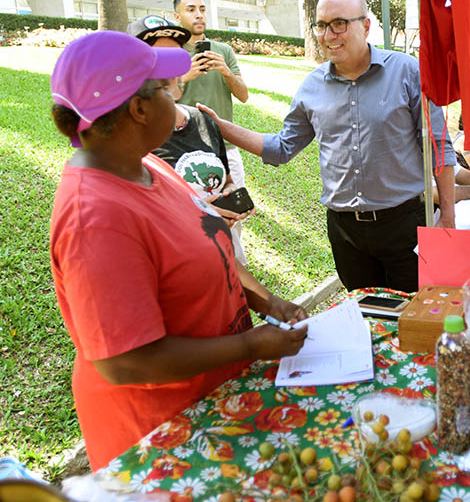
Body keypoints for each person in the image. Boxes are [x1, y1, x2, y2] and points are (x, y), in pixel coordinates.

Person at [48, 31, 308, 470]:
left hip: (212, 404)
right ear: (139, 108)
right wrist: (248, 346)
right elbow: (125, 362)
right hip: (158, 438)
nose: (178, 97)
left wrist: (269, 300)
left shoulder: (147, 165)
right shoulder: (95, 218)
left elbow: (208, 235)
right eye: (167, 89)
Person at [199, 0, 456, 293]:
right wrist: (221, 127)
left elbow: (439, 147)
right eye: (321, 25)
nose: (328, 35)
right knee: (365, 317)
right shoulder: (312, 87)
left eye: (339, 23)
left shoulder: (407, 72)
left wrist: (448, 217)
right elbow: (282, 148)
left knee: (415, 315)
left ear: (366, 26)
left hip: (404, 225)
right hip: (346, 232)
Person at [127, 14, 250, 263]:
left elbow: (225, 179)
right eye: (157, 59)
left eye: (176, 58)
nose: (169, 71)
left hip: (224, 261)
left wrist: (230, 193)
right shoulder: (125, 138)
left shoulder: (202, 119)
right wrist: (203, 213)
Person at [173, 0, 250, 260]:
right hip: (186, 154)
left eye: (202, 9)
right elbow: (162, 98)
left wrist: (226, 72)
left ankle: (237, 273)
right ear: (177, 16)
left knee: (234, 214)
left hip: (226, 148)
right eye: (191, 9)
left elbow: (243, 95)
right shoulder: (172, 54)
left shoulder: (224, 51)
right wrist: (187, 76)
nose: (199, 15)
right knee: (193, 218)